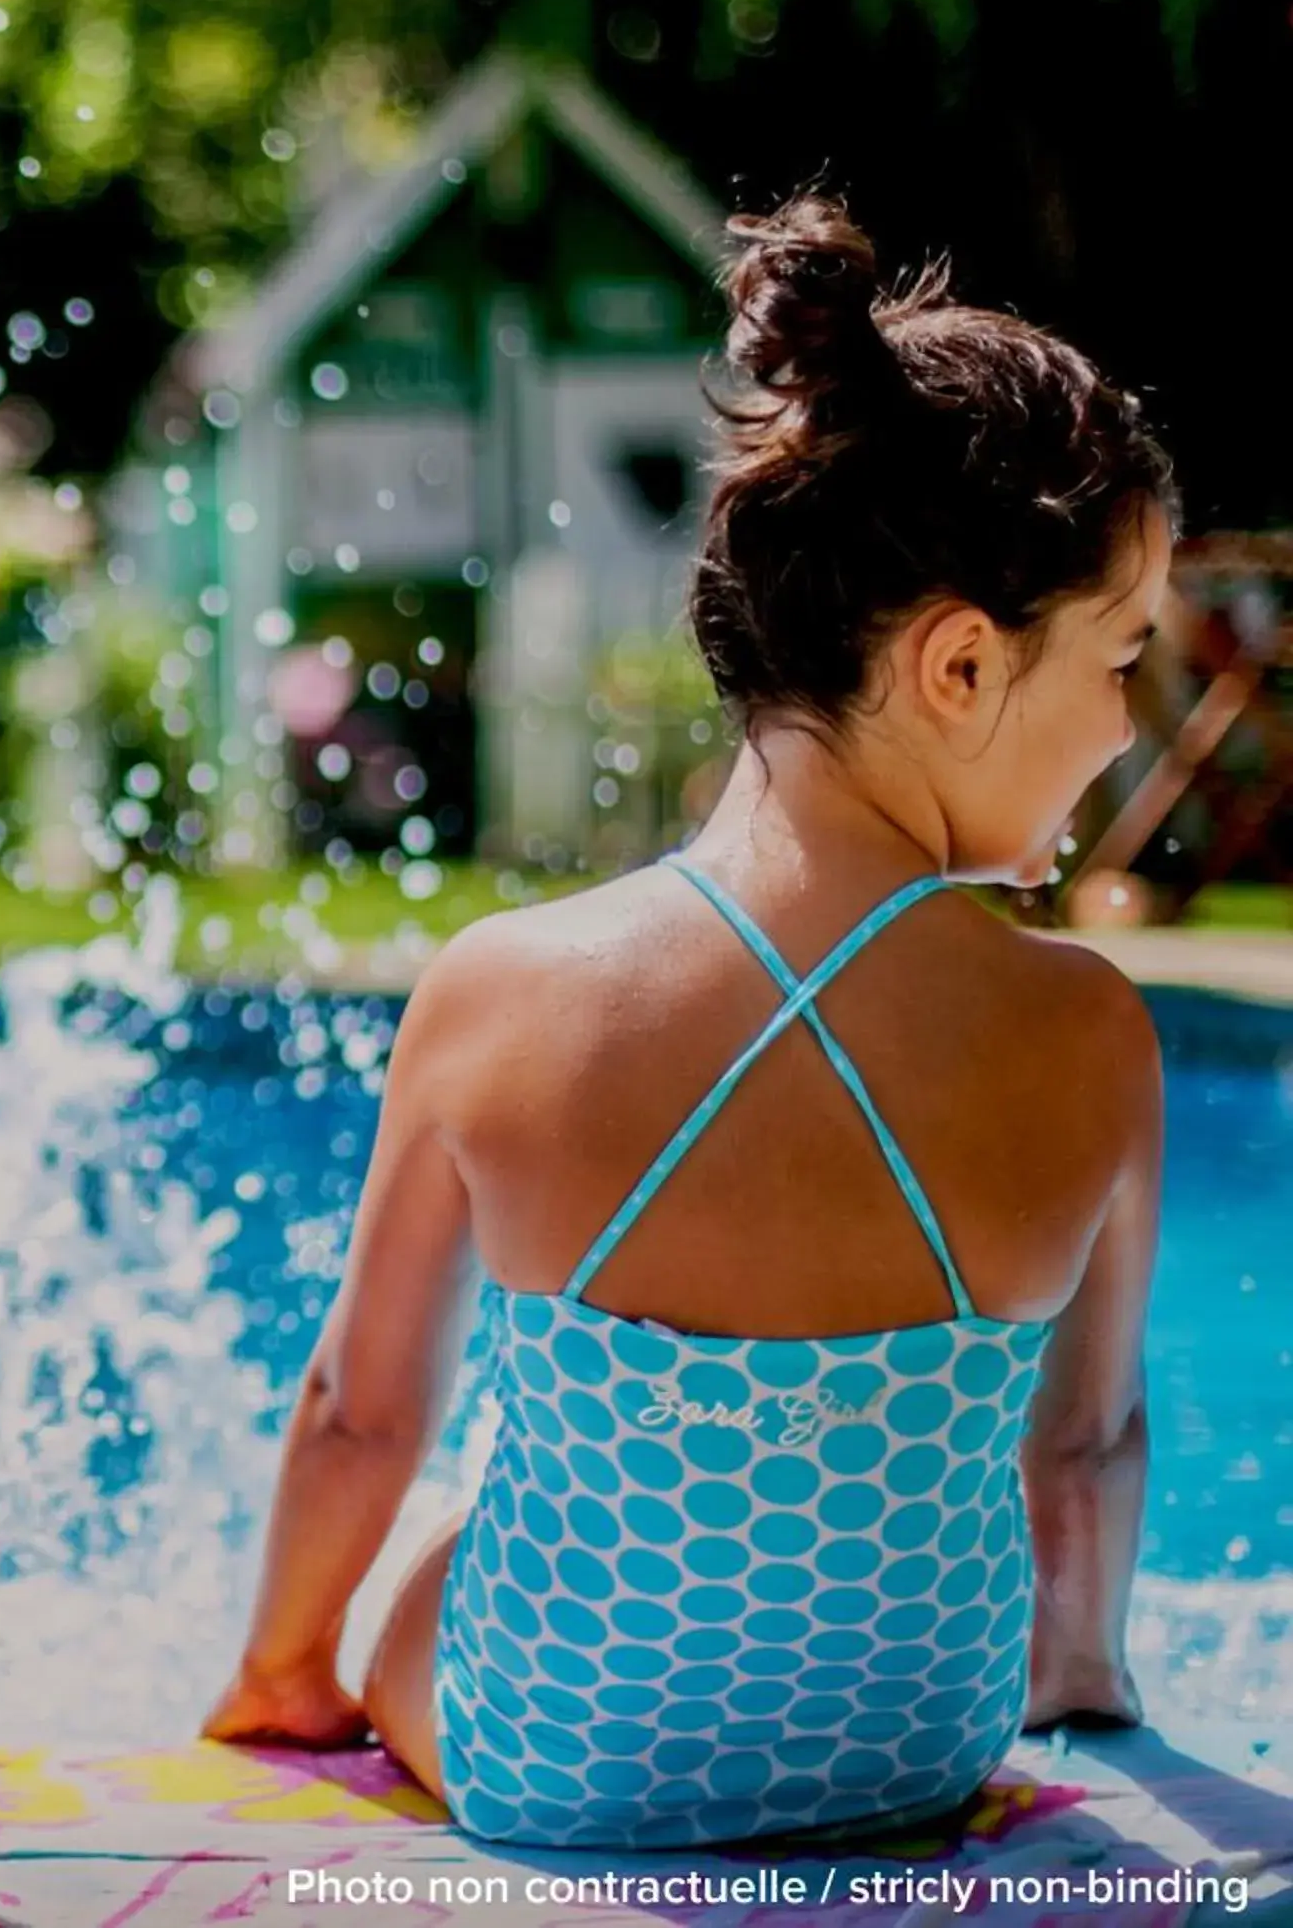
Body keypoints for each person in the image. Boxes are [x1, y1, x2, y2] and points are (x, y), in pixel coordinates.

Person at [204, 197, 1173, 1850]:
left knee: (439, 1519)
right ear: (957, 667)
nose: (1122, 725)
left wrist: (285, 1675)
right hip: (920, 1747)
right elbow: (1080, 1449)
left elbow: (359, 1412)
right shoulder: (1091, 1032)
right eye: (1120, 660)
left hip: (555, 1762)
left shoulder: (506, 989)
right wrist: (1078, 1675)